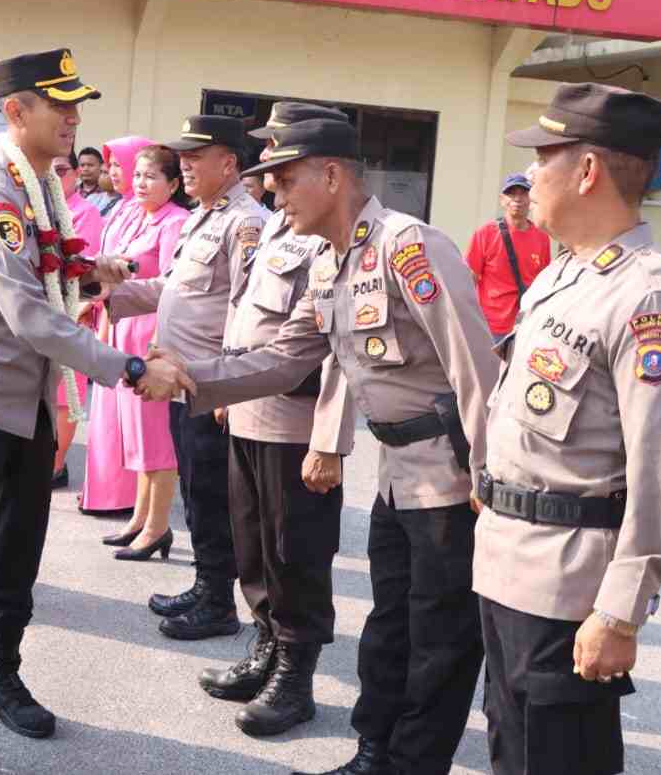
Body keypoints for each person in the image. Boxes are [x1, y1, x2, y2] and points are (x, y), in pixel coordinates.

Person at [149, 116, 499, 775]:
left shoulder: (409, 247)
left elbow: (474, 366)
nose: (276, 196)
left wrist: (488, 472)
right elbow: (287, 361)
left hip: (451, 478)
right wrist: (191, 377)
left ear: (333, 174)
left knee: (440, 637)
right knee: (390, 627)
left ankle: (412, 763)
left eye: (285, 180)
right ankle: (374, 749)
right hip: (398, 474)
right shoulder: (335, 263)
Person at [0, 47, 186, 775]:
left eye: (77, 104)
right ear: (15, 111)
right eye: (58, 103)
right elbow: (33, 315)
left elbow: (60, 276)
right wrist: (129, 366)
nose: (73, 117)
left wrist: (119, 278)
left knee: (16, 558)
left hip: (31, 407)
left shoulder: (41, 191)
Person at [474, 83, 661, 775]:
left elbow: (660, 473)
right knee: (511, 751)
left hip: (570, 589)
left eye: (544, 158)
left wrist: (620, 610)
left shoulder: (649, 298)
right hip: (507, 564)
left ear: (587, 172)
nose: (529, 177)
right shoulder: (564, 274)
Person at [184, 101, 357, 738]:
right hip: (249, 413)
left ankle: (297, 675)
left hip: (296, 426)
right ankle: (265, 645)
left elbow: (340, 354)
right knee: (253, 546)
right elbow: (244, 316)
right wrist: (227, 388)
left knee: (297, 555)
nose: (273, 188)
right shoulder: (281, 229)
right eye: (274, 176)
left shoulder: (336, 238)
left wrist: (330, 442)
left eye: (284, 175)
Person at [105, 114, 268, 641]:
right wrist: (109, 293)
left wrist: (228, 388)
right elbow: (172, 290)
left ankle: (219, 602)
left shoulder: (246, 223)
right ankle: (206, 582)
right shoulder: (205, 217)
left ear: (230, 162)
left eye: (198, 157)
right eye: (185, 157)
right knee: (196, 493)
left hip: (210, 388)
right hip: (182, 385)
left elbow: (247, 308)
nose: (187, 165)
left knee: (215, 497)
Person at [102, 145, 190, 559]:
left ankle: (157, 527)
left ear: (173, 184)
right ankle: (139, 518)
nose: (140, 183)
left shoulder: (176, 222)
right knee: (137, 433)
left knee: (156, 438)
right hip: (126, 330)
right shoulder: (138, 216)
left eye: (152, 176)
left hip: (151, 333)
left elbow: (173, 290)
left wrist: (161, 344)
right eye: (137, 174)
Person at [78, 134, 152, 512]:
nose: (117, 174)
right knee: (105, 412)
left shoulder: (159, 216)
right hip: (110, 314)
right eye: (118, 167)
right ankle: (102, 491)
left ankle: (123, 499)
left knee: (130, 417)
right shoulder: (122, 208)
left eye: (121, 165)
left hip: (138, 320)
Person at [49, 150, 104, 489]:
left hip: (71, 314)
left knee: (65, 397)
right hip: (41, 314)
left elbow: (86, 269)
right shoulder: (39, 207)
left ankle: (54, 467)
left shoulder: (87, 213)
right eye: (50, 170)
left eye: (63, 170)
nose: (56, 177)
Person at [466, 173, 551, 340]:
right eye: (511, 193)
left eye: (523, 193)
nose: (517, 199)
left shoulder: (542, 237)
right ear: (502, 199)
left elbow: (545, 282)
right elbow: (469, 278)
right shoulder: (485, 234)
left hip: (526, 325)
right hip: (490, 326)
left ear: (531, 199)